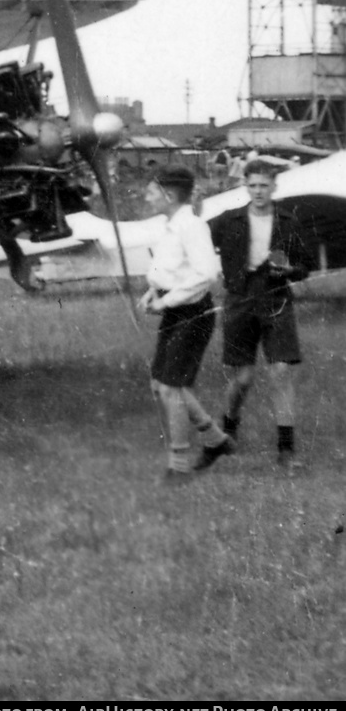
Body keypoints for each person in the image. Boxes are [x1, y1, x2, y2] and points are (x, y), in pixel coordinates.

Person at [209, 159, 315, 469]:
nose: (258, 191)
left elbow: (305, 266)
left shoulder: (287, 221)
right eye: (252, 185)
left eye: (264, 186)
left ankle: (286, 450)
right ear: (245, 185)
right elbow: (198, 243)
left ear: (274, 186)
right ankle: (229, 428)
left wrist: (290, 270)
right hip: (240, 300)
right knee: (242, 378)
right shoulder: (228, 220)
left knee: (281, 370)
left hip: (275, 297)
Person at [137, 166, 235, 481]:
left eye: (151, 191)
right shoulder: (170, 226)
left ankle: (178, 466)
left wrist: (165, 301)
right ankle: (217, 440)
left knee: (170, 389)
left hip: (192, 314)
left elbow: (205, 274)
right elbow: (172, 269)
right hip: (175, 311)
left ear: (169, 195)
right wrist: (153, 291)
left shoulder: (192, 226)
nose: (146, 196)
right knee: (161, 385)